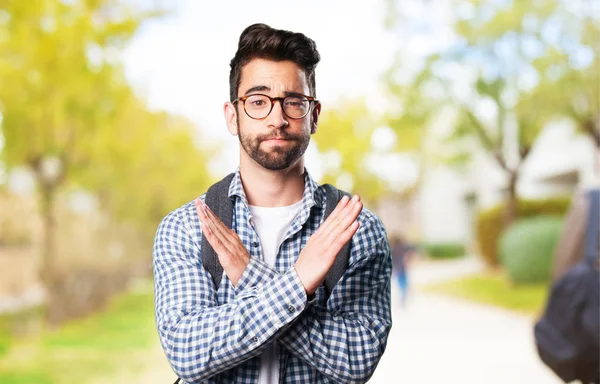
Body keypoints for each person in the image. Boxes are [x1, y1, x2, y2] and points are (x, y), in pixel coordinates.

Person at [152, 23, 393, 384]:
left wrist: (250, 276)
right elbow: (189, 353)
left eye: (294, 102)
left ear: (314, 115)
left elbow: (357, 359)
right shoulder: (186, 227)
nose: (277, 118)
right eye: (258, 101)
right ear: (233, 115)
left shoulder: (354, 229)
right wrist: (297, 284)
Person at [390, 235, 417, 308]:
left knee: (401, 284)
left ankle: (402, 300)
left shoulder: (393, 249)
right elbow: (412, 251)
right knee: (403, 284)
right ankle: (403, 300)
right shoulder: (402, 248)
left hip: (398, 269)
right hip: (401, 268)